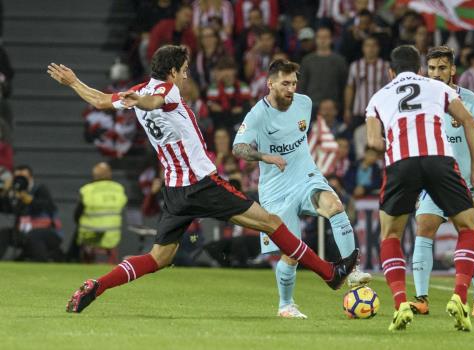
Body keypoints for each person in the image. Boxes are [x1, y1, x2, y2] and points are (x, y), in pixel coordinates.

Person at [47, 45, 358, 313]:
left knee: (159, 257)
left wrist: (74, 81)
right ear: (171, 72)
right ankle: (330, 273)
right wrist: (142, 102)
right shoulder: (163, 91)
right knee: (272, 223)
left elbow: (101, 100)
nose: (186, 76)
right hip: (201, 184)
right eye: (183, 70)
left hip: (174, 190)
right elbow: (155, 102)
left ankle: (97, 285)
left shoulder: (139, 89)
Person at [233, 59, 370, 319]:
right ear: (270, 83)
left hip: (306, 177)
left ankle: (351, 270)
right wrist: (266, 157)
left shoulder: (304, 103)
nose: (291, 88)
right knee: (292, 252)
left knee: (335, 206)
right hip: (276, 191)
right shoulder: (257, 114)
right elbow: (238, 148)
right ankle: (286, 305)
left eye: (294, 83)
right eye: (285, 83)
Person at [365, 45, 474, 331]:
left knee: (390, 235)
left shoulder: (378, 97)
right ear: (420, 69)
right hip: (439, 161)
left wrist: (394, 143)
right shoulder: (437, 86)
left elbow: (372, 142)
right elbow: (468, 120)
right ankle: (459, 296)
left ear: (390, 71)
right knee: (468, 228)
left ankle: (401, 304)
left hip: (401, 163)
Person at [409, 46, 474, 318]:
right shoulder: (420, 103)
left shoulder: (472, 102)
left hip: (467, 186)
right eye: (432, 68)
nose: (436, 73)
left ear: (453, 70)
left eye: (442, 67)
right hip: (434, 183)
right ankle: (421, 299)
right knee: (424, 227)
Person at [0, 165, 63, 262]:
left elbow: (48, 206)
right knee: (4, 234)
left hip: (48, 231)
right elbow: (5, 209)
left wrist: (30, 200)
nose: (21, 180)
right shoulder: (15, 192)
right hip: (24, 231)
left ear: (31, 177)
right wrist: (5, 192)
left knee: (33, 235)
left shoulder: (40, 189)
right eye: (18, 177)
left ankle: (42, 262)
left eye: (23, 177)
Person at [74, 162, 127, 262]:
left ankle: (80, 260)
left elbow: (77, 214)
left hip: (90, 234)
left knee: (78, 236)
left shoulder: (87, 190)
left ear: (94, 174)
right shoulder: (119, 189)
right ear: (110, 174)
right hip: (112, 234)